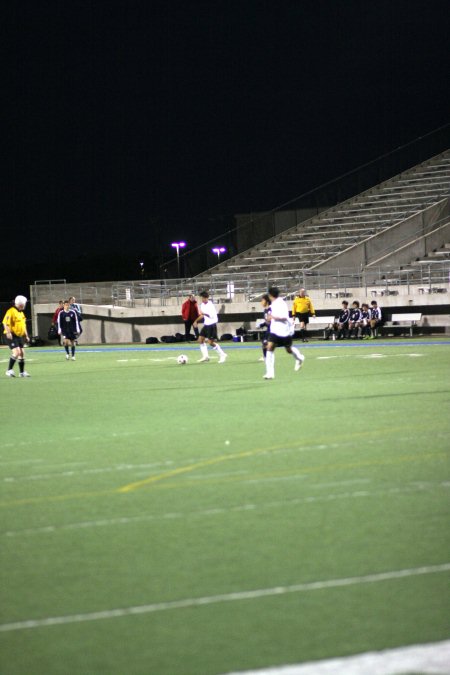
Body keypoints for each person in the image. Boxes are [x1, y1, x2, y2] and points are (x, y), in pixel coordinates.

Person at [264, 287, 304, 380]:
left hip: (284, 331)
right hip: (275, 331)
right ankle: (270, 373)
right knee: (269, 348)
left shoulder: (281, 303)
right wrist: (269, 320)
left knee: (288, 350)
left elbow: (284, 317)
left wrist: (272, 317)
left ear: (270, 295)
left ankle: (299, 358)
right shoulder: (273, 304)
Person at [193, 291, 227, 363]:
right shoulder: (202, 305)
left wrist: (203, 313)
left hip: (212, 324)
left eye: (203, 298)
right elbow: (202, 315)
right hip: (206, 324)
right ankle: (206, 357)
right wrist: (196, 321)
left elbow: (210, 316)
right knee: (200, 340)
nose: (202, 299)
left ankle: (222, 354)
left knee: (210, 342)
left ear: (206, 298)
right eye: (201, 298)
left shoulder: (210, 305)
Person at [3, 295, 31, 377]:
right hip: (11, 335)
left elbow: (24, 325)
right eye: (24, 303)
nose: (25, 305)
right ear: (20, 304)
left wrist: (26, 335)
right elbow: (5, 322)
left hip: (18, 336)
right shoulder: (10, 311)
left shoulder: (21, 313)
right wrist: (8, 333)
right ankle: (9, 370)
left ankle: (22, 373)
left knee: (22, 353)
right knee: (16, 352)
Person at [257, 294, 272, 361]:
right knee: (264, 343)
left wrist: (261, 325)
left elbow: (270, 320)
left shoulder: (271, 309)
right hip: (269, 329)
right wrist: (262, 325)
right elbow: (267, 321)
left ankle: (266, 357)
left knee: (265, 343)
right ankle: (266, 357)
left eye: (262, 300)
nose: (261, 302)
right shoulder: (265, 310)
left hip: (273, 329)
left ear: (267, 301)